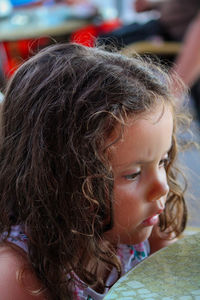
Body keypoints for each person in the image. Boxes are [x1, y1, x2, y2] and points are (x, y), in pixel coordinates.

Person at [0, 43, 188, 299]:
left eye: (162, 161)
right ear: (60, 179)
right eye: (133, 174)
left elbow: (178, 285)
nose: (162, 188)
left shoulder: (147, 223)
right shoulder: (19, 274)